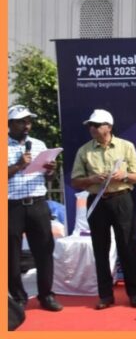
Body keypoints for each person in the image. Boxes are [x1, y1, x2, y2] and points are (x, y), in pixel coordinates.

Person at [71, 109, 136, 309]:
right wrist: (90, 180)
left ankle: (134, 293)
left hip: (121, 199)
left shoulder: (126, 147)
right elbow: (75, 181)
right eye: (90, 126)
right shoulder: (84, 151)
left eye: (96, 125)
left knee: (127, 246)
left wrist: (124, 176)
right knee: (100, 249)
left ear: (108, 127)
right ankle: (105, 295)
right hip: (97, 201)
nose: (92, 128)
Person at [7, 105, 62, 312]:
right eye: (22, 122)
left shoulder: (38, 144)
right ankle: (19, 297)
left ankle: (46, 295)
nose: (27, 126)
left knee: (45, 250)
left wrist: (51, 171)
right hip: (12, 205)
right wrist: (18, 165)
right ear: (10, 124)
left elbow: (47, 177)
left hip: (38, 203)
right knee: (11, 254)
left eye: (29, 121)